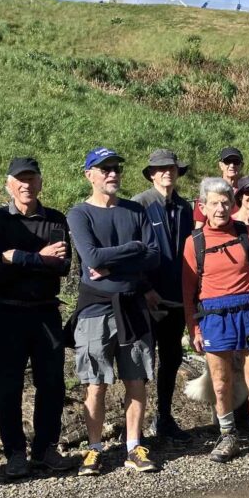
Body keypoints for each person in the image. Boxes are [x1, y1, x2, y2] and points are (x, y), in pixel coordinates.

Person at [0, 157, 76, 478]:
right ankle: (15, 453)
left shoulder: (55, 219)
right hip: (8, 311)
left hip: (46, 311)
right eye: (20, 179)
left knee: (52, 383)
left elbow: (63, 266)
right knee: (9, 385)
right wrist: (40, 258)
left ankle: (45, 449)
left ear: (40, 182)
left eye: (31, 178)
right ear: (9, 184)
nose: (26, 185)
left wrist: (17, 257)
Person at [68, 147, 161, 475]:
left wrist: (116, 263)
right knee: (95, 382)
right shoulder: (79, 214)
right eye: (104, 168)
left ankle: (134, 447)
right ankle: (94, 449)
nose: (112, 174)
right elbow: (92, 258)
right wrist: (133, 249)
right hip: (95, 309)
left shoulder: (135, 210)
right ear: (89, 175)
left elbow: (154, 256)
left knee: (136, 379)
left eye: (116, 168)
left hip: (133, 306)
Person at [182, 177, 249, 467]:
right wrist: (193, 329)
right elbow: (188, 292)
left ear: (233, 205)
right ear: (203, 207)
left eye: (225, 203)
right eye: (214, 203)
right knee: (221, 385)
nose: (220, 209)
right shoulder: (194, 243)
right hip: (213, 317)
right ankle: (228, 436)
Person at [132, 149, 193, 443]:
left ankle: (164, 417)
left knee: (171, 359)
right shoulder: (139, 205)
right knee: (142, 363)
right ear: (152, 175)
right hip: (146, 298)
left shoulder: (184, 207)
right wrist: (144, 288)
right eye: (161, 168)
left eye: (172, 168)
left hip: (176, 298)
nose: (167, 172)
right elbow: (132, 252)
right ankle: (134, 429)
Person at [192, 147, 249, 228]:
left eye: (236, 162)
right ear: (221, 165)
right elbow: (199, 227)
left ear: (242, 165)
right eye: (227, 161)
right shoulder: (209, 192)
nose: (232, 165)